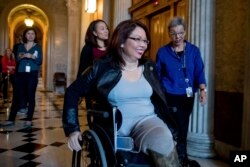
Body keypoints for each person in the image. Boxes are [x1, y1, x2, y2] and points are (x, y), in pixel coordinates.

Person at [63, 20, 179, 167]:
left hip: (148, 123)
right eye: (137, 39)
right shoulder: (101, 67)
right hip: (114, 128)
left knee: (163, 143)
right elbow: (72, 92)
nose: (143, 44)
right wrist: (73, 129)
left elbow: (160, 98)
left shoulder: (149, 67)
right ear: (122, 41)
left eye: (145, 40)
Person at [156, 16, 207, 167]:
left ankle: (180, 156)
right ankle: (179, 156)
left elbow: (199, 71)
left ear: (185, 32)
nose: (177, 37)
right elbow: (157, 75)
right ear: (168, 33)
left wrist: (203, 91)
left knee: (183, 125)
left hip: (187, 96)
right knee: (176, 126)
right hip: (170, 95)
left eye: (180, 33)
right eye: (173, 33)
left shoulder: (193, 51)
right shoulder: (163, 52)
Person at [0, 27, 43, 127]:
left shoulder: (38, 47)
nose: (31, 35)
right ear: (25, 35)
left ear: (35, 36)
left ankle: (29, 119)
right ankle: (11, 119)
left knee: (30, 96)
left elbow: (40, 61)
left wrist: (32, 56)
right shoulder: (20, 46)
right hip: (20, 73)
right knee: (16, 96)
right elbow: (17, 59)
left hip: (32, 74)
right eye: (28, 33)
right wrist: (22, 56)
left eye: (33, 33)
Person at [76, 19, 109, 109]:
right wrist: (79, 90)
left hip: (110, 87)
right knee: (96, 116)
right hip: (94, 89)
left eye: (106, 28)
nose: (106, 31)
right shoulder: (88, 48)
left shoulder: (111, 48)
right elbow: (82, 69)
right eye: (102, 29)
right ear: (94, 33)